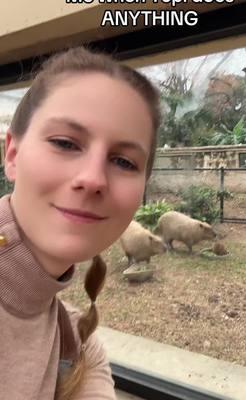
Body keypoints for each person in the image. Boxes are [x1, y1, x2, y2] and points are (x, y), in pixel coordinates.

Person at [0, 46, 160, 400]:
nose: (93, 178)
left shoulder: (80, 346)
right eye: (64, 143)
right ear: (12, 154)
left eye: (124, 162)